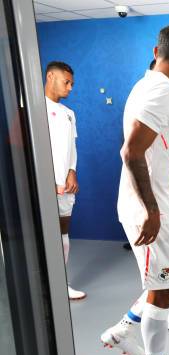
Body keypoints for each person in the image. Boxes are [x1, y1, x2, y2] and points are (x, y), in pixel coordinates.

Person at [100, 25, 169, 355]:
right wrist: (153, 210)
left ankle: (124, 327)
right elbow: (132, 152)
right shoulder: (160, 90)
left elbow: (166, 151)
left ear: (157, 50)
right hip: (150, 210)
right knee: (163, 290)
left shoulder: (154, 86)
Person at [44, 61, 86, 301]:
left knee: (63, 231)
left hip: (65, 186)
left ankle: (61, 283)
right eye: (66, 82)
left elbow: (71, 147)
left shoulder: (69, 113)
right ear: (51, 76)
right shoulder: (32, 109)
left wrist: (72, 171)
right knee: (41, 232)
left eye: (72, 83)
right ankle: (44, 284)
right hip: (42, 185)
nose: (70, 88)